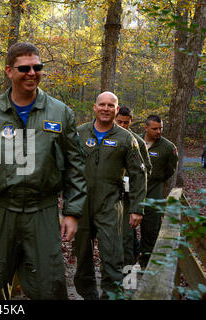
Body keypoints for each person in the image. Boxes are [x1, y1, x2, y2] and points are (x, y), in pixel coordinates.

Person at [0, 42, 87, 300]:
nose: (31, 73)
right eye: (24, 68)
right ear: (9, 71)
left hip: (43, 210)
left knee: (50, 283)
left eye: (37, 67)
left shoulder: (60, 113)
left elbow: (76, 167)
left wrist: (72, 212)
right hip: (1, 209)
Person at [74, 92, 147, 300]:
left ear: (116, 110)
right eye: (102, 104)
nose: (106, 109)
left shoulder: (126, 138)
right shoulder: (80, 133)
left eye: (111, 105)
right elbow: (66, 166)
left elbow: (139, 174)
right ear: (95, 107)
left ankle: (110, 296)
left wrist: (136, 208)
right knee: (83, 256)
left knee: (112, 256)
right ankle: (88, 295)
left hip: (110, 204)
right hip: (81, 205)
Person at [138, 115, 178, 268]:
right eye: (155, 128)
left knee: (151, 228)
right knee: (127, 228)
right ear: (146, 127)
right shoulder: (135, 140)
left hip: (154, 191)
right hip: (133, 191)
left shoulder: (168, 147)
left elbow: (170, 169)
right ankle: (132, 254)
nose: (158, 131)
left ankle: (146, 263)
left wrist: (157, 178)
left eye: (160, 128)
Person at [115, 106, 152, 266]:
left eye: (126, 122)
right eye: (119, 122)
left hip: (128, 197)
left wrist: (129, 181)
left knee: (126, 238)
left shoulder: (138, 142)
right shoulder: (108, 137)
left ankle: (127, 278)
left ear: (131, 121)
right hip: (108, 196)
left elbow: (146, 170)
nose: (123, 125)